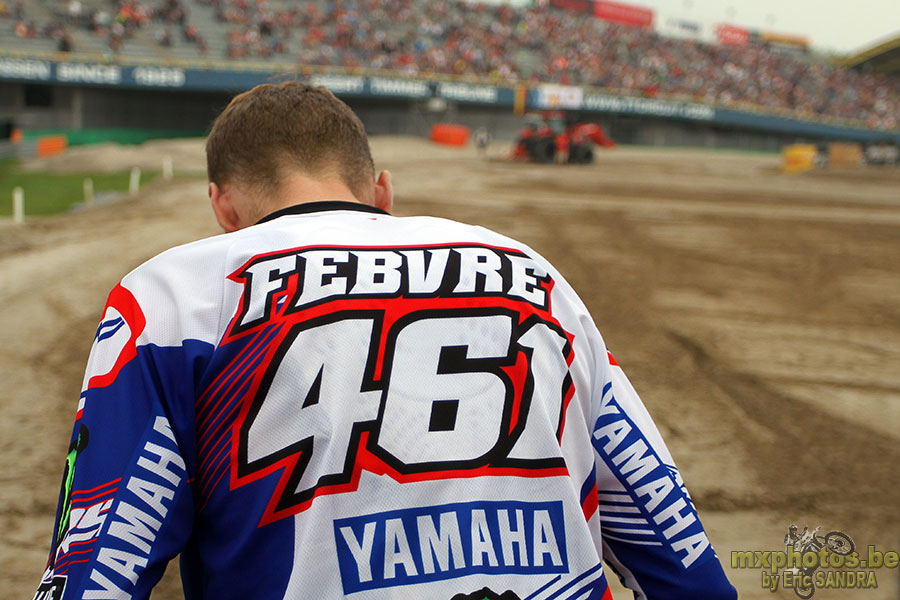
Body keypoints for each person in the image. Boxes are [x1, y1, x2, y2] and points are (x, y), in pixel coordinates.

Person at [34, 82, 736, 600]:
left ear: (222, 204)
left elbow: (100, 562)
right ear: (382, 190)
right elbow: (663, 529)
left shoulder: (175, 295)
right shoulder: (531, 274)